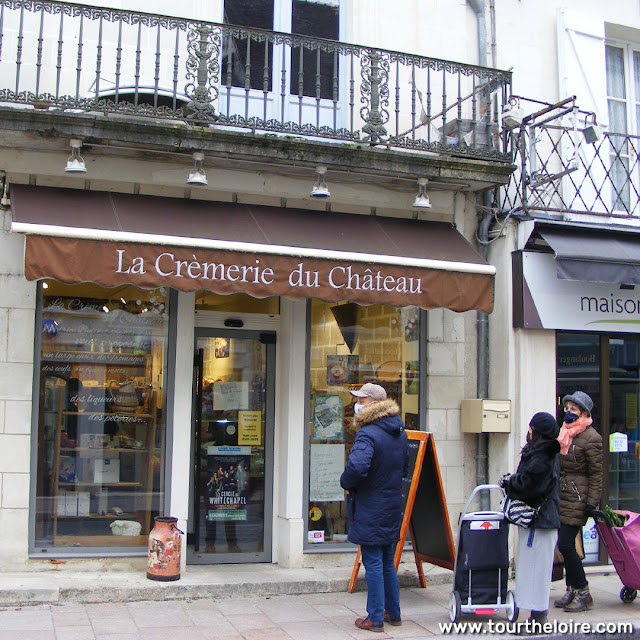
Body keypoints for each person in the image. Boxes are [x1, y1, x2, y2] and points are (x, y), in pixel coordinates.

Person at [340, 383, 408, 633]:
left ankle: (375, 617)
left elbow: (357, 468)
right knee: (387, 561)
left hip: (370, 504)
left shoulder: (368, 433)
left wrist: (345, 482)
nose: (357, 403)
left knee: (373, 562)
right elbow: (404, 468)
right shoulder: (399, 432)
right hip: (391, 503)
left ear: (374, 404)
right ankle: (394, 612)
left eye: (362, 399)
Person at [500, 412, 560, 631]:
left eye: (531, 428)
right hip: (538, 521)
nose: (529, 431)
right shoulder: (542, 452)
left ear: (538, 431)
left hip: (541, 521)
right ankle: (535, 616)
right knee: (532, 569)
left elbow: (530, 485)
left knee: (537, 571)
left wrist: (510, 482)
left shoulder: (542, 455)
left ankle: (538, 620)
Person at [554, 391, 603, 612]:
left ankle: (583, 591)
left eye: (573, 409)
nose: (568, 412)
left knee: (565, 544)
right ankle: (572, 589)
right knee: (565, 545)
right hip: (563, 496)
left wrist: (592, 502)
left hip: (578, 498)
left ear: (584, 412)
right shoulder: (565, 433)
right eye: (567, 408)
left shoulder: (592, 438)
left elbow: (596, 474)